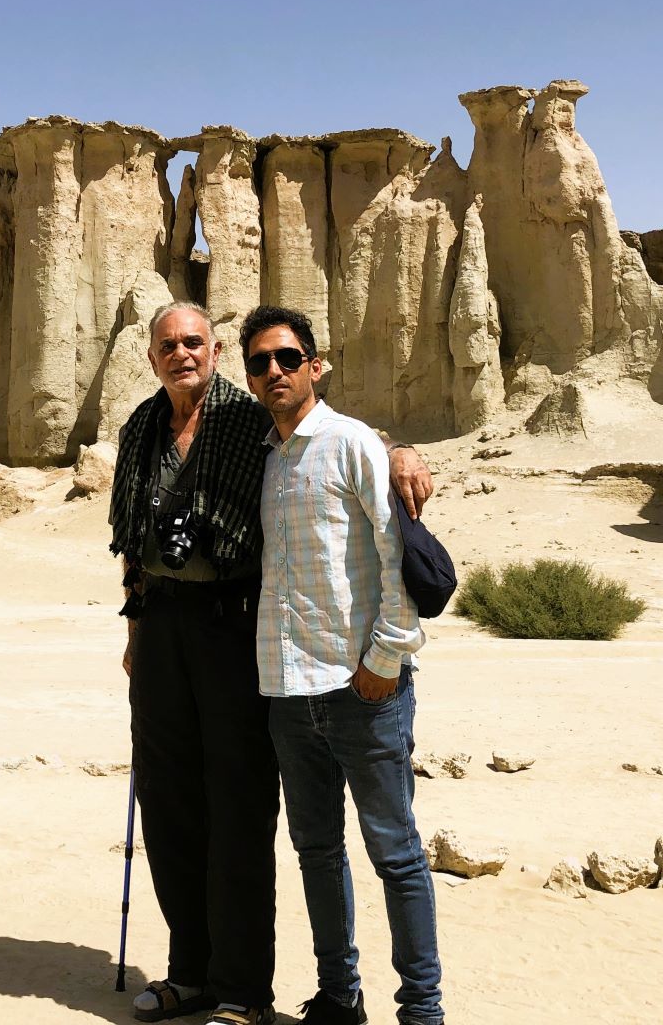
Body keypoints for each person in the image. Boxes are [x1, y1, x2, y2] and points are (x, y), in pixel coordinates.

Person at [109, 301, 432, 1025]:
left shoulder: (247, 412)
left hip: (233, 628)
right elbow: (130, 529)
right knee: (168, 806)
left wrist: (400, 452)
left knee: (238, 807)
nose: (182, 354)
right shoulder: (140, 428)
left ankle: (241, 990)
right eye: (168, 345)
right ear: (152, 355)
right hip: (159, 628)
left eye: (195, 342)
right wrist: (133, 619)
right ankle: (188, 970)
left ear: (215, 351)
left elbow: (320, 429)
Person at [240, 303, 443, 1025]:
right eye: (260, 362)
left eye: (288, 358)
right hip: (289, 692)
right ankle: (338, 997)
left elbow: (396, 558)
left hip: (364, 688)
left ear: (315, 366)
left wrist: (386, 659)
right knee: (318, 853)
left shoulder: (355, 444)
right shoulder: (260, 458)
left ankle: (422, 1011)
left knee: (396, 854)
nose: (274, 372)